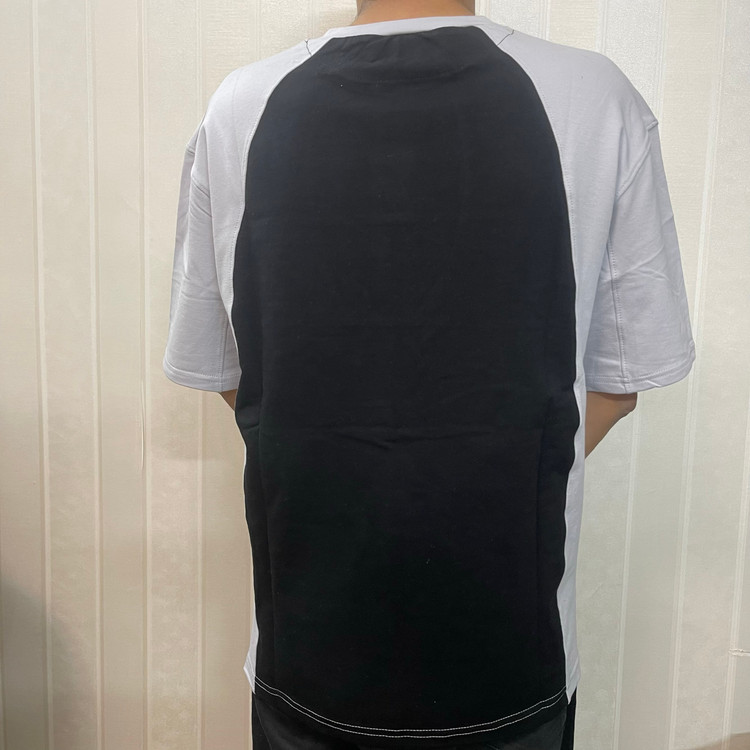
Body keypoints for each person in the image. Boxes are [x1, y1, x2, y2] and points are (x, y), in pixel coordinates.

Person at [162, 0, 696, 747]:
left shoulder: (240, 104)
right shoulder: (596, 97)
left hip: (307, 638)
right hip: (512, 644)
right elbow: (618, 381)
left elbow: (236, 376)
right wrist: (504, 477)